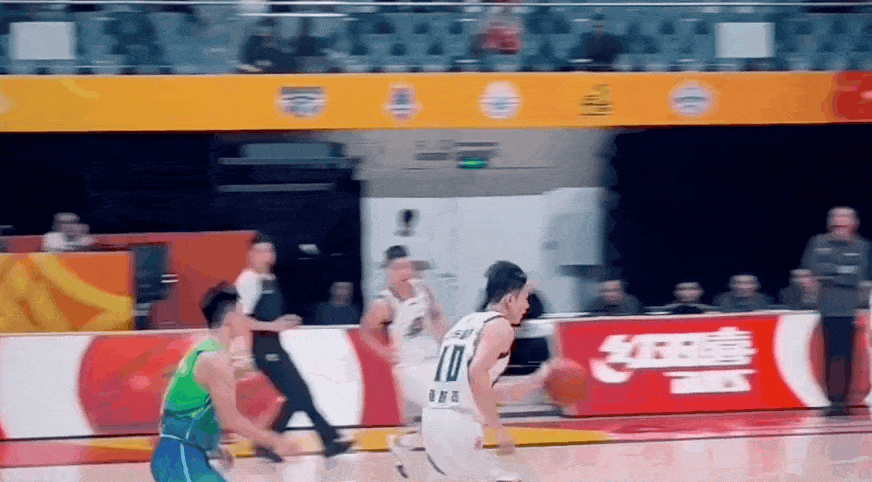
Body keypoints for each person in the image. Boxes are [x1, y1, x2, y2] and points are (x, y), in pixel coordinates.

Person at [150, 284, 299, 482]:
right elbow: (232, 420)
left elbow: (180, 403)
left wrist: (213, 447)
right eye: (242, 314)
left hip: (183, 455)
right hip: (180, 459)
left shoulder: (203, 349)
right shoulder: (216, 360)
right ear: (229, 319)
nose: (247, 320)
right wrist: (276, 441)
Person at [421, 260, 550, 482]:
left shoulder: (465, 323)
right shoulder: (501, 327)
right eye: (525, 299)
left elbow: (474, 384)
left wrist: (532, 383)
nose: (527, 307)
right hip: (459, 425)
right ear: (510, 300)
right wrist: (498, 429)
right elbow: (476, 374)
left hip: (434, 421)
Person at [234, 234, 352, 461]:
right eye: (261, 251)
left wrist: (284, 320)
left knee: (297, 395)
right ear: (251, 255)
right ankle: (330, 441)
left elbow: (266, 315)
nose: (267, 255)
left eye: (270, 250)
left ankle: (268, 444)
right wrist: (273, 326)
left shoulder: (268, 278)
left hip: (274, 346)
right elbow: (240, 320)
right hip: (263, 349)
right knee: (300, 394)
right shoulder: (248, 280)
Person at [359, 245, 450, 479]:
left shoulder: (423, 289)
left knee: (451, 408)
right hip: (408, 366)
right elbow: (365, 331)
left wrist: (447, 340)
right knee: (439, 407)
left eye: (407, 266)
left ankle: (404, 443)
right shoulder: (384, 302)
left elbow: (437, 315)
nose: (404, 271)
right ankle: (439, 464)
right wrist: (383, 352)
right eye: (398, 267)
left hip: (433, 359)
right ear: (389, 271)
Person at [801, 207, 871, 417]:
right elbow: (812, 270)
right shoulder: (817, 242)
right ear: (829, 221)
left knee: (845, 355)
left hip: (849, 308)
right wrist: (838, 273)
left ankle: (841, 402)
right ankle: (833, 400)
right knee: (828, 356)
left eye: (845, 218)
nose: (840, 222)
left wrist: (828, 275)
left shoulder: (862, 246)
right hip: (823, 307)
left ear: (854, 222)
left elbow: (856, 276)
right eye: (836, 218)